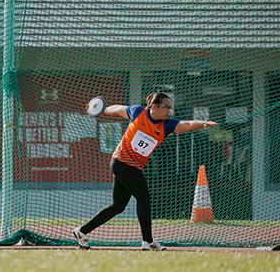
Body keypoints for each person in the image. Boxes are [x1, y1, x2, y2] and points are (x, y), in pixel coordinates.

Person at [72, 92, 218, 251]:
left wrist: (203, 123)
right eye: (166, 107)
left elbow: (187, 125)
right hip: (122, 162)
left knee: (118, 206)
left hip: (132, 167)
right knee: (143, 198)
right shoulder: (137, 112)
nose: (169, 110)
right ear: (154, 107)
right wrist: (100, 109)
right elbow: (116, 109)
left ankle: (82, 231)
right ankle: (147, 241)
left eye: (170, 107)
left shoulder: (166, 125)